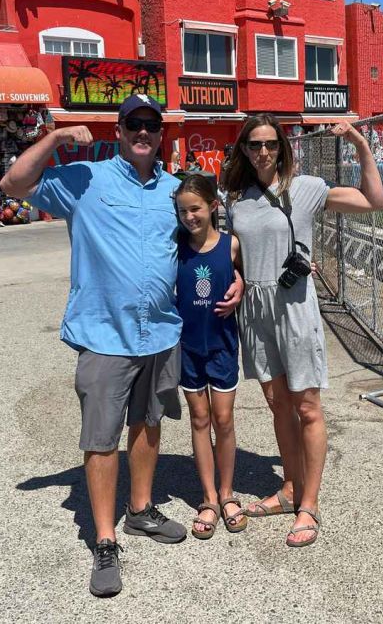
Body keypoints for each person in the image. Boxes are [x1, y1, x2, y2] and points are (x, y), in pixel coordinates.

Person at [0, 94, 242, 598]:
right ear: (119, 129)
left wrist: (236, 277)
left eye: (151, 124)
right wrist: (55, 137)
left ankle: (140, 509)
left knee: (148, 422)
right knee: (101, 436)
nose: (143, 132)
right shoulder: (85, 179)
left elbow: (209, 240)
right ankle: (106, 540)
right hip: (104, 333)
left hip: (160, 332)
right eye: (134, 123)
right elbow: (13, 184)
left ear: (161, 133)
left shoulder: (175, 190)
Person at [222, 114, 383, 548]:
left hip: (293, 307)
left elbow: (373, 200)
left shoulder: (306, 188)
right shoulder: (236, 199)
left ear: (282, 147)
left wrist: (359, 144)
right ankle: (290, 488)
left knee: (307, 406)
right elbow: (235, 253)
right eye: (254, 145)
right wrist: (235, 277)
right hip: (256, 309)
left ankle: (308, 504)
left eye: (270, 144)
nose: (263, 152)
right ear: (243, 150)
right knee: (278, 405)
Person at [173, 174, 247, 540]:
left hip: (222, 344)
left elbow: (245, 278)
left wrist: (241, 285)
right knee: (199, 418)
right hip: (188, 347)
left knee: (224, 419)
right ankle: (208, 499)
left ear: (213, 206)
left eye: (196, 209)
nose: (189, 217)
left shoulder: (231, 245)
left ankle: (227, 493)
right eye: (183, 211)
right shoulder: (175, 247)